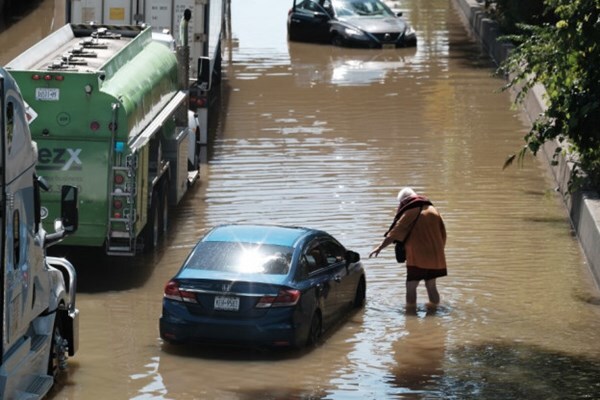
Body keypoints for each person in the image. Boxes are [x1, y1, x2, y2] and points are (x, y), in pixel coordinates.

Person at [369, 187, 447, 310]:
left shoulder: (411, 211)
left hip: (417, 257)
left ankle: (411, 315)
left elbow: (395, 232)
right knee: (431, 285)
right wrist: (438, 251)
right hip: (436, 256)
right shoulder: (433, 209)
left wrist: (379, 247)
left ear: (404, 201)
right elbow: (443, 234)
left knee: (411, 286)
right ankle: (434, 311)